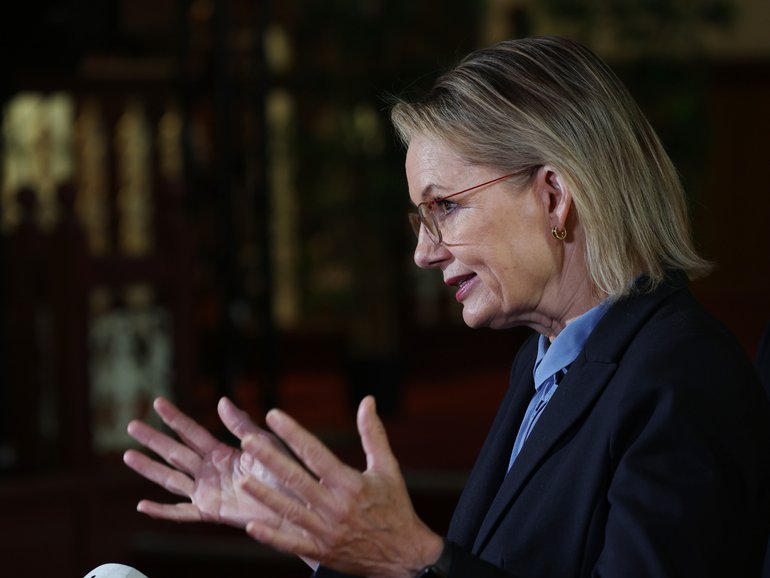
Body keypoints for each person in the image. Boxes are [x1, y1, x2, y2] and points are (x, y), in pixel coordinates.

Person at [124, 36, 770, 577]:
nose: (424, 254)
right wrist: (334, 544)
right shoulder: (543, 363)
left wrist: (410, 560)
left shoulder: (684, 378)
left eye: (446, 208)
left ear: (553, 197)